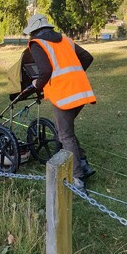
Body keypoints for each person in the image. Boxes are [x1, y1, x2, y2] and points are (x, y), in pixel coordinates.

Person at [23, 14, 96, 192]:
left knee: (65, 136)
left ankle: (78, 179)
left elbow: (45, 70)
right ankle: (84, 163)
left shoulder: (37, 44)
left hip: (64, 94)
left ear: (34, 31)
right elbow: (87, 57)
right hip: (80, 91)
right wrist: (75, 75)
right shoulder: (65, 40)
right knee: (66, 130)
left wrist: (37, 85)